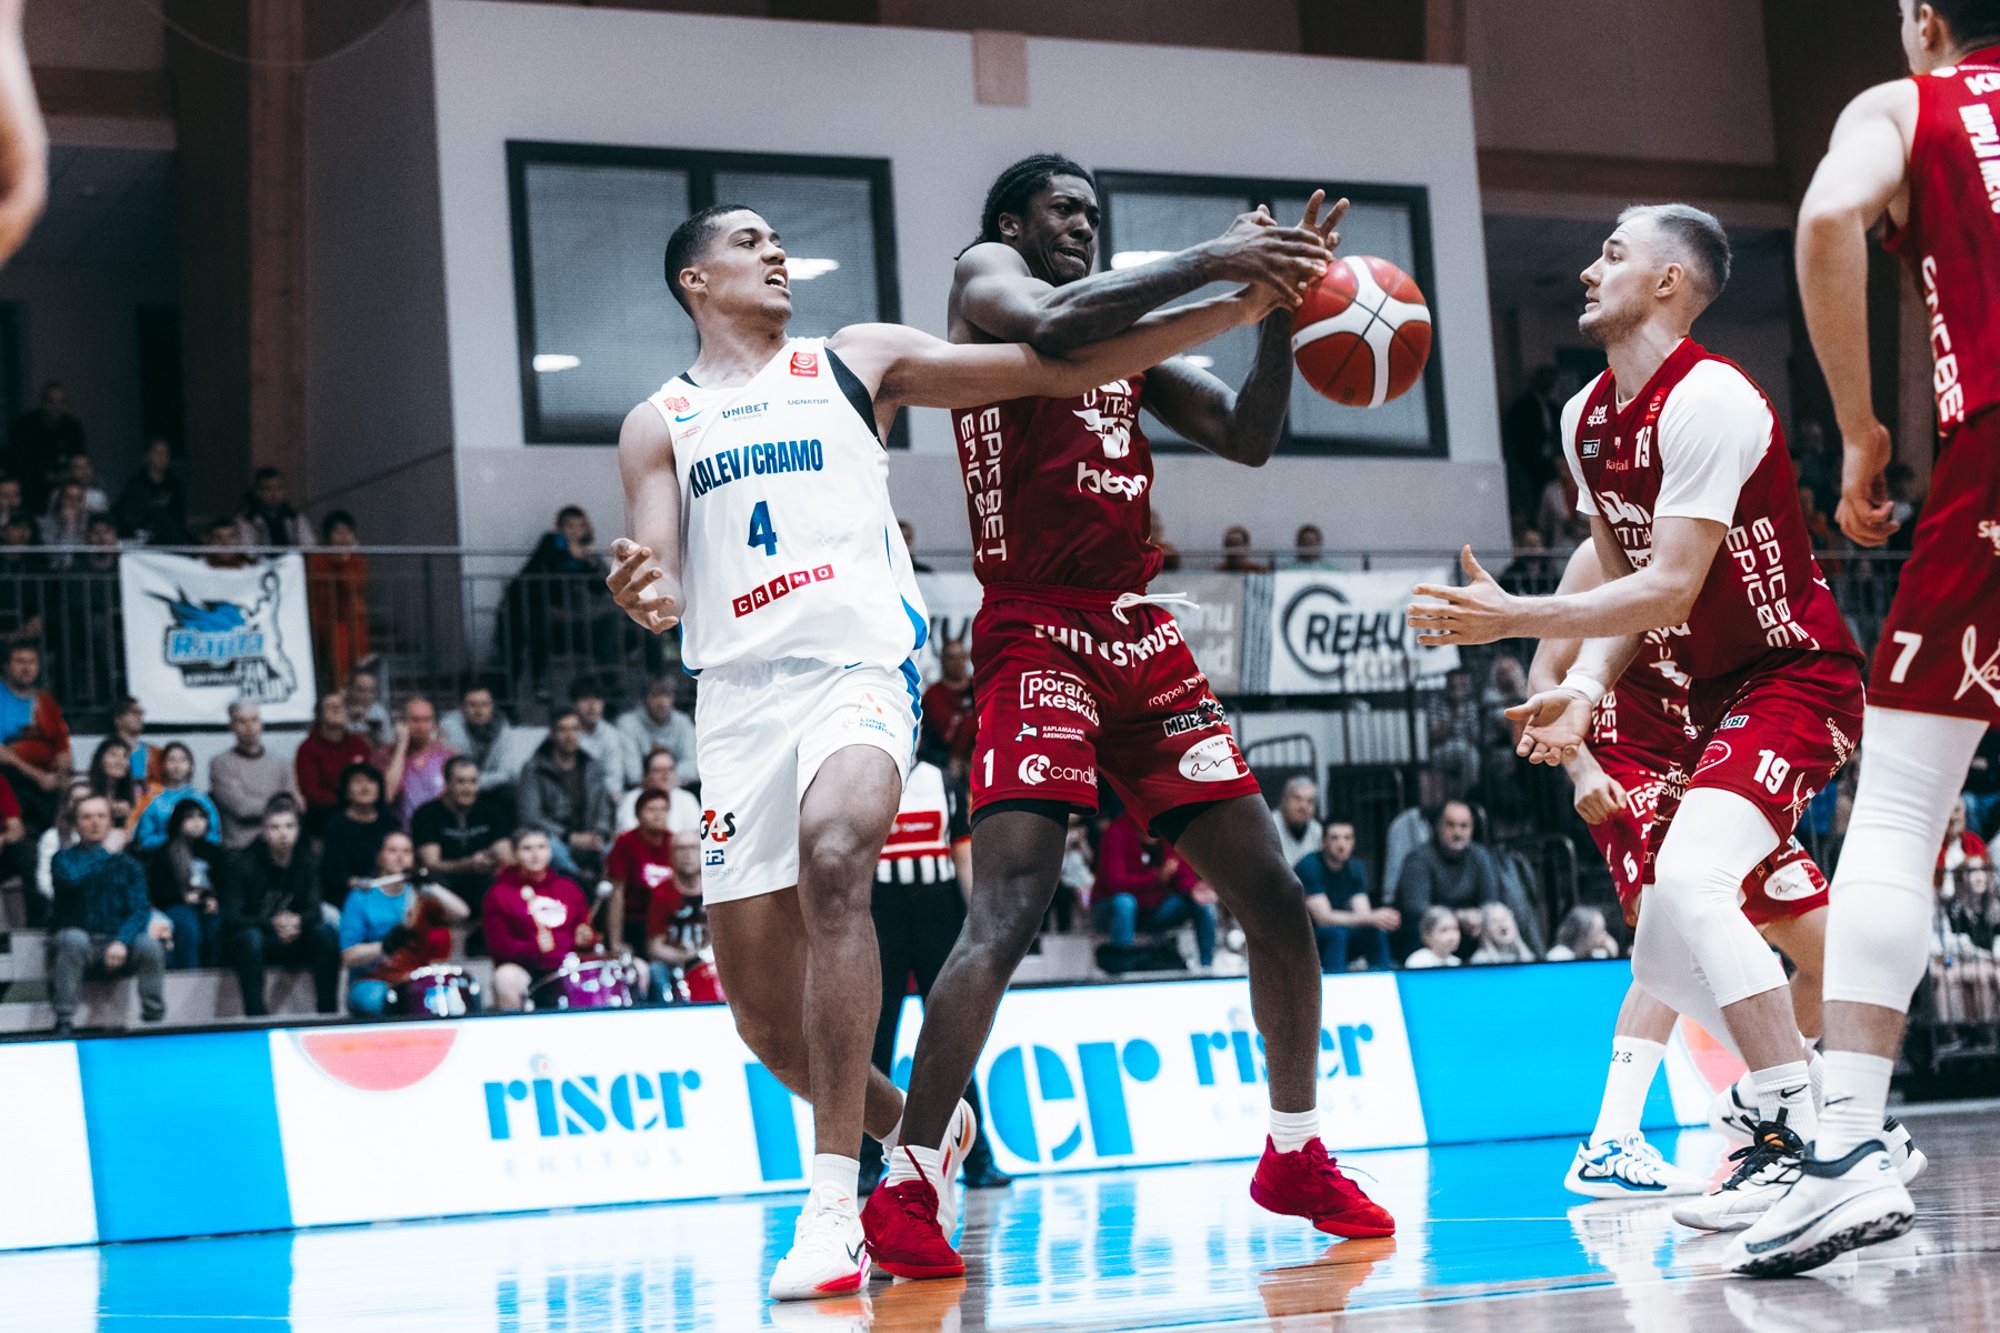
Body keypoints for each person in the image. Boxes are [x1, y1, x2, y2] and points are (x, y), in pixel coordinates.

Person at [601, 192, 1283, 1300]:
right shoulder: (657, 419)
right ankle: (935, 1122)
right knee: (768, 1026)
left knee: (836, 857)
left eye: (778, 239)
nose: (774, 250)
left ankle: (833, 1208)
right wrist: (640, 590)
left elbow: (1052, 368)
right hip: (735, 701)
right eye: (746, 241)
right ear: (693, 280)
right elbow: (665, 580)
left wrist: (1228, 306)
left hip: (861, 671)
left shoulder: (854, 358)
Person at [866, 157, 1388, 1282]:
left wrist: (1275, 321)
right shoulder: (989, 277)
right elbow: (1054, 318)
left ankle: (1294, 1151)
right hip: (1032, 629)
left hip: (1135, 632)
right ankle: (908, 1177)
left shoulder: (1126, 344)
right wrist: (1215, 265)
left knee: (1276, 895)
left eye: (1097, 218)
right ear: (1011, 220)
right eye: (1067, 209)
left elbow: (1247, 438)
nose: (1084, 228)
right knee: (1006, 905)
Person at [1407, 204, 1864, 1246]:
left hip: (1792, 674)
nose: (1585, 266)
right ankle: (1788, 1125)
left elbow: (1667, 588)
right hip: (1701, 706)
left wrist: (1517, 618)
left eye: (1611, 251)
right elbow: (1621, 592)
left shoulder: (1709, 399)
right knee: (1664, 954)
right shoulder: (1581, 420)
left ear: (1668, 281)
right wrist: (1579, 687)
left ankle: (1805, 1138)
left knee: (1714, 898)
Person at [1722, 0, 2000, 1275]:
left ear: (1924, 21)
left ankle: (1841, 1144)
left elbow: (1829, 216)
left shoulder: (1908, 105)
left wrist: (1861, 431)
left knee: (1893, 811)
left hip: (1993, 454)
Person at [1524, 542, 1888, 1202]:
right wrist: (1581, 770)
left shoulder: (1719, 537)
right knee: (1674, 923)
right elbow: (1544, 672)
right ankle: (1637, 1133)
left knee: (1826, 950)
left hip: (1710, 760)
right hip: (1625, 760)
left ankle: (1758, 1092)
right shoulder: (1599, 551)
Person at [861, 759, 1009, 1194]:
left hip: (938, 914)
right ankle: (868, 1163)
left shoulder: (942, 781)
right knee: (875, 1040)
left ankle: (977, 1161)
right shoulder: (864, 775)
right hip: (881, 915)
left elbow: (962, 853)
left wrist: (980, 921)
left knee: (952, 1036)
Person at [48, 795, 168, 1035]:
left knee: (150, 945)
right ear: (76, 824)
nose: (95, 822)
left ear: (110, 822)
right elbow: (71, 880)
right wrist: (105, 852)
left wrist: (122, 941)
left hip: (117, 943)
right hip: (81, 942)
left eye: (102, 816)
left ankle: (153, 1019)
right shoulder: (63, 859)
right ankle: (64, 1020)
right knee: (73, 939)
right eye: (87, 817)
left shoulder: (129, 865)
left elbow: (140, 909)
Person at [222, 796, 339, 1017]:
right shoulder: (243, 863)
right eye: (274, 827)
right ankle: (256, 1017)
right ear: (264, 832)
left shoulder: (308, 860)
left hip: (296, 935)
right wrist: (272, 924)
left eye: (289, 826)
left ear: (298, 829)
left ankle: (328, 1013)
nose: (283, 833)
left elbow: (314, 910)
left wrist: (297, 921)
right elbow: (232, 917)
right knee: (249, 938)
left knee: (327, 934)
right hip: (260, 938)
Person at [337, 832, 469, 1016]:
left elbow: (462, 913)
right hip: (374, 981)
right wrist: (385, 946)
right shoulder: (361, 897)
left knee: (455, 995)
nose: (400, 857)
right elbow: (349, 956)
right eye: (393, 850)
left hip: (416, 976)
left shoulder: (421, 893)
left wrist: (430, 884)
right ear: (380, 856)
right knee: (380, 999)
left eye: (406, 851)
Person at [482, 828, 595, 1012]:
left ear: (550, 851)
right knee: (505, 977)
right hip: (526, 967)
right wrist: (535, 948)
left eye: (541, 847)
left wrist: (586, 938)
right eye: (527, 849)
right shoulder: (499, 894)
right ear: (515, 854)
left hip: (567, 964)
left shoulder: (568, 887)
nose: (535, 854)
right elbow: (499, 946)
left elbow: (584, 931)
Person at [1091, 812, 1218, 967]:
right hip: (1112, 909)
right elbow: (1115, 883)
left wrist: (1194, 891)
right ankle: (1123, 966)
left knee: (1202, 903)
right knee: (1125, 902)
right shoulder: (1115, 833)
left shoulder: (1169, 834)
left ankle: (1207, 965)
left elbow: (1182, 874)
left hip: (1155, 909)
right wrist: (1156, 878)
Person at [1392, 801, 1504, 957]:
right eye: (1450, 825)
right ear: (1438, 827)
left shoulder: (1480, 856)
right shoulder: (1418, 859)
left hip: (1472, 930)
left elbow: (1490, 901)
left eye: (1464, 826)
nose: (1458, 832)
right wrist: (1458, 917)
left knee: (1497, 923)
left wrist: (1481, 918)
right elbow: (1416, 908)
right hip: (1430, 934)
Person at [516, 710, 613, 881]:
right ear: (552, 733)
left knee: (617, 851)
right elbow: (530, 816)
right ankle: (579, 878)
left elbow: (603, 806)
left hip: (591, 838)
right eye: (563, 730)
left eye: (575, 729)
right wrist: (570, 837)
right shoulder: (534, 769)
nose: (570, 735)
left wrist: (599, 833)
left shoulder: (592, 766)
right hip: (556, 839)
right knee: (552, 849)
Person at [411, 757, 514, 916]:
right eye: (461, 782)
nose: (468, 788)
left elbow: (505, 854)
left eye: (473, 782)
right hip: (445, 881)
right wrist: (468, 864)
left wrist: (495, 861)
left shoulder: (491, 810)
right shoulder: (427, 814)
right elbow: (431, 864)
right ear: (447, 783)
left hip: (482, 877)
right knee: (435, 881)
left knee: (506, 879)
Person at [1295, 821, 1397, 973]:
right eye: (1335, 838)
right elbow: (1323, 918)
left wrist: (1377, 919)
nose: (1341, 844)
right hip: (1304, 938)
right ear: (1323, 842)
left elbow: (1362, 914)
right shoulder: (1309, 866)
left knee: (1374, 932)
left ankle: (1382, 978)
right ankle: (1335, 983)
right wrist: (1374, 917)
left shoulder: (1355, 867)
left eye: (1347, 838)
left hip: (1339, 933)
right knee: (1336, 933)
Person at [209, 700, 299, 850]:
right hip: (241, 848)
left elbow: (291, 805)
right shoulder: (221, 764)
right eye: (242, 721)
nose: (249, 726)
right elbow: (241, 808)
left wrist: (281, 805)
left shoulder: (282, 763)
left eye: (254, 719)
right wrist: (277, 804)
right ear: (232, 726)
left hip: (278, 846)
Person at [147, 798, 223, 970]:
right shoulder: (164, 853)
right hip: (176, 904)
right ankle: (188, 974)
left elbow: (225, 884)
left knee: (217, 923)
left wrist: (214, 900)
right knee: (188, 926)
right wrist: (183, 897)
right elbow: (157, 890)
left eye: (201, 817)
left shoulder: (215, 852)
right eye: (190, 817)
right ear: (178, 821)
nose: (196, 823)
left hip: (208, 903)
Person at [0, 640, 69, 827]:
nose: (26, 668)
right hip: (11, 781)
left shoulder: (45, 700)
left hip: (46, 784)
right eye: (20, 661)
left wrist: (60, 777)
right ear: (7, 666)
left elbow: (62, 748)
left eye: (32, 662)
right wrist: (39, 776)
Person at [605, 788, 679, 958]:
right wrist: (615, 942)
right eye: (651, 810)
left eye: (663, 810)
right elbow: (617, 893)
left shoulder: (675, 842)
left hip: (669, 922)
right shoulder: (625, 843)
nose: (658, 815)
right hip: (636, 920)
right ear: (638, 814)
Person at [294, 691, 372, 834]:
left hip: (361, 816)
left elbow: (371, 780)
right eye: (331, 707)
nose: (338, 710)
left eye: (341, 706)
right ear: (319, 715)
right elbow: (312, 793)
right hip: (324, 821)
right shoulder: (307, 749)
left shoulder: (359, 744)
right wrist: (348, 802)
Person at [319, 762, 393, 910]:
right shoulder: (336, 825)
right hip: (346, 897)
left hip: (387, 893)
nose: (365, 787)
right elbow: (330, 872)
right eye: (358, 782)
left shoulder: (390, 822)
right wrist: (355, 883)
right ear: (346, 791)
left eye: (371, 781)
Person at [306, 510, 368, 682]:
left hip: (353, 619)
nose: (343, 536)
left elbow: (354, 586)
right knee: (336, 659)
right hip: (327, 618)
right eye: (337, 531)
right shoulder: (317, 558)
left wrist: (345, 560)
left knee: (358, 659)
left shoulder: (356, 560)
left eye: (347, 532)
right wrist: (340, 561)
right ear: (328, 535)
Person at [378, 696, 454, 829]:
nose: (421, 726)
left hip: (437, 831)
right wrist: (402, 746)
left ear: (433, 724)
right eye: (415, 720)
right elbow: (387, 795)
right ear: (402, 723)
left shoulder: (446, 755)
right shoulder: (386, 754)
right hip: (401, 836)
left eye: (426, 720)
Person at [1502, 365, 1564, 524]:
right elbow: (1515, 433)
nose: (1549, 384)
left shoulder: (1554, 408)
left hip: (1551, 460)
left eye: (1551, 380)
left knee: (1554, 491)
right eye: (1545, 379)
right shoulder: (1523, 407)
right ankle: (1535, 525)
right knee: (1534, 495)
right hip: (1530, 461)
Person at [131, 742, 218, 853]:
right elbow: (144, 840)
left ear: (191, 765)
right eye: (171, 760)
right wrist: (173, 838)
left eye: (183, 760)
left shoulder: (201, 800)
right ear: (162, 765)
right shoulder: (154, 800)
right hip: (162, 860)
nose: (177, 765)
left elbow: (214, 836)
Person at [7, 381, 82, 510]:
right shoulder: (24, 426)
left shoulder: (73, 429)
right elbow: (17, 461)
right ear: (43, 402)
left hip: (64, 487)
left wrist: (66, 475)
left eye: (61, 402)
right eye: (52, 402)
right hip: (30, 489)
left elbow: (79, 459)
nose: (56, 407)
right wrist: (46, 475)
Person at [615, 675, 699, 785]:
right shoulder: (628, 723)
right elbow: (633, 775)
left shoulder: (683, 722)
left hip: (677, 790)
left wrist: (661, 776)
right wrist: (669, 776)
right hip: (640, 792)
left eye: (667, 695)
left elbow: (694, 767)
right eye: (656, 695)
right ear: (645, 698)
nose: (662, 702)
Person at [439, 683, 516, 795]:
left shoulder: (503, 730)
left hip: (493, 793)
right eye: (472, 705)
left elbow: (506, 774)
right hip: (457, 793)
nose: (479, 711)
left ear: (492, 707)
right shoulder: (450, 727)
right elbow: (451, 772)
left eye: (484, 704)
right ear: (462, 708)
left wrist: (472, 782)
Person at [570, 678, 641, 798]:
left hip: (601, 800)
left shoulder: (611, 735)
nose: (592, 706)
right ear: (574, 704)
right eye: (585, 699)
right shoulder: (565, 732)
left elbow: (614, 778)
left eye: (597, 699)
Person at [613, 746, 701, 841]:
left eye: (670, 769)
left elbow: (695, 835)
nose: (665, 775)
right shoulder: (631, 800)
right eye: (658, 770)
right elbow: (628, 836)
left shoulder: (687, 799)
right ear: (646, 775)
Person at [112, 439, 191, 544]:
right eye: (158, 453)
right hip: (142, 536)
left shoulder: (175, 485)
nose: (162, 457)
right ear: (147, 456)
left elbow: (179, 516)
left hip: (170, 538)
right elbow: (126, 514)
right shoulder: (135, 484)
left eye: (165, 454)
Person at [917, 637, 976, 775]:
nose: (958, 663)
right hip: (943, 768)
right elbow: (926, 744)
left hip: (979, 761)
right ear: (942, 660)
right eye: (952, 658)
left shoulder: (979, 689)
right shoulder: (932, 696)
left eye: (961, 657)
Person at [236, 466, 311, 548]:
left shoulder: (294, 517)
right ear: (258, 492)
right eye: (268, 489)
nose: (274, 493)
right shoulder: (247, 519)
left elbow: (309, 545)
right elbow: (247, 549)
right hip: (260, 559)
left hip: (292, 558)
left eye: (278, 488)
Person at [85, 736, 137, 827]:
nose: (120, 762)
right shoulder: (85, 789)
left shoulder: (133, 792)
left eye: (125, 756)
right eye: (113, 755)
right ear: (100, 760)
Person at [1272, 777, 1323, 868]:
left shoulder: (1317, 831)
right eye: (1297, 799)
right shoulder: (1268, 827)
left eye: (1310, 801)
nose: (1303, 806)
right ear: (1284, 801)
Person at [1468, 902, 1537, 964]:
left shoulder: (1528, 956)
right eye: (1495, 921)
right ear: (1485, 929)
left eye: (1504, 918)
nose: (1501, 923)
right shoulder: (1480, 961)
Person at [1546, 906, 1618, 962]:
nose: (1604, 935)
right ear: (1584, 933)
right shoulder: (1559, 956)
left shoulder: (1598, 954)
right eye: (1599, 931)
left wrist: (1612, 954)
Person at [344, 668, 392, 749]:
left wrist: (366, 722)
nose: (366, 695)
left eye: (371, 691)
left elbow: (386, 744)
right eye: (361, 690)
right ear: (350, 690)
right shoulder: (339, 709)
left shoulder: (380, 713)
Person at [110, 695, 152, 784]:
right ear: (118, 719)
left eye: (141, 713)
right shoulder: (107, 752)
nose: (139, 717)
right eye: (134, 712)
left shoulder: (151, 752)